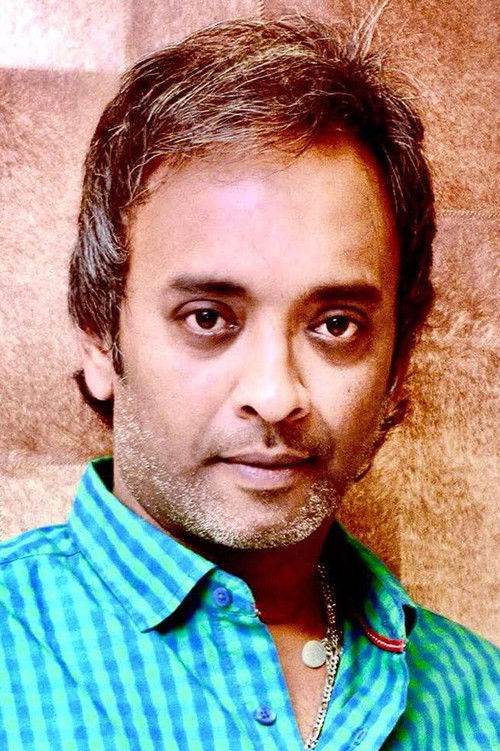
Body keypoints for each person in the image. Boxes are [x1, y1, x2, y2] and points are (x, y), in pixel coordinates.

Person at [1, 14, 498, 751]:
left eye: (336, 324)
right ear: (101, 339)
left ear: (397, 366)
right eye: (208, 317)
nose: (275, 394)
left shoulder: (483, 698)